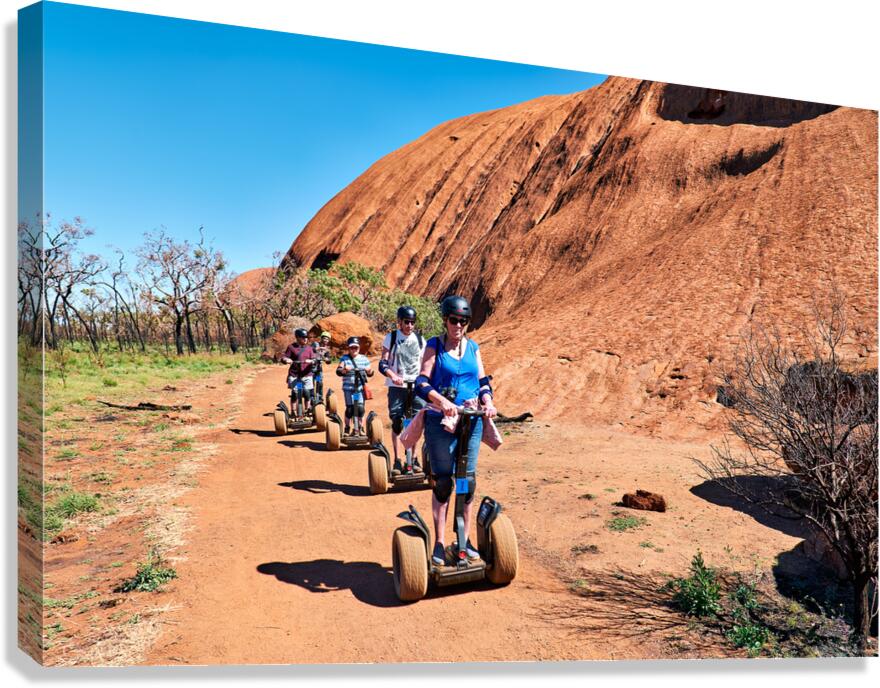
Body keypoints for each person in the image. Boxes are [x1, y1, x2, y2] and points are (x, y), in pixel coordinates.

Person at [414, 295, 497, 566]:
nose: (458, 325)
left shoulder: (473, 347)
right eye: (453, 320)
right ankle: (439, 542)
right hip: (440, 422)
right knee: (443, 483)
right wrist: (443, 402)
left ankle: (464, 539)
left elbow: (483, 381)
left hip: (470, 421)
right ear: (445, 320)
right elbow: (421, 383)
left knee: (467, 482)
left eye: (463, 321)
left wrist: (488, 401)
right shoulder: (434, 346)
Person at [379, 306, 427, 475]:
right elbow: (383, 363)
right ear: (399, 322)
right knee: (398, 423)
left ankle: (414, 459)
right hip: (397, 387)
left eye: (412, 322)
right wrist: (392, 375)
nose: (409, 325)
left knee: (416, 424)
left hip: (416, 387)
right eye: (406, 322)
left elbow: (425, 365)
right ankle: (398, 460)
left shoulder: (421, 340)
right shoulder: (391, 338)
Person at [335, 336, 374, 436]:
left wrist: (369, 371)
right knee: (350, 409)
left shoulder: (364, 359)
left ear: (359, 348)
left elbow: (370, 372)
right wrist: (344, 370)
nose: (354, 350)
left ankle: (359, 428)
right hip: (348, 388)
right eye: (352, 347)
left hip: (360, 389)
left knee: (360, 409)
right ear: (349, 348)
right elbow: (338, 371)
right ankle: (347, 428)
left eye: (356, 347)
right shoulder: (345, 359)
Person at [280, 328, 317, 414]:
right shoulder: (291, 347)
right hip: (295, 375)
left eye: (306, 337)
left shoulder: (309, 348)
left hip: (307, 374)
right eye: (303, 337)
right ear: (297, 338)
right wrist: (286, 360)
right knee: (295, 393)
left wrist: (311, 361)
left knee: (307, 393)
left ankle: (308, 410)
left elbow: (314, 359)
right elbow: (284, 357)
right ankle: (293, 411)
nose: (305, 339)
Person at [311, 331, 333, 403]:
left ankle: (319, 398)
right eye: (324, 338)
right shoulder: (315, 344)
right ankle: (311, 399)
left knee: (319, 382)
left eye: (327, 339)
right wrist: (318, 349)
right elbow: (310, 350)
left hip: (318, 369)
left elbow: (329, 360)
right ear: (321, 338)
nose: (326, 340)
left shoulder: (326, 349)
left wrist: (326, 359)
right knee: (311, 384)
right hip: (310, 368)